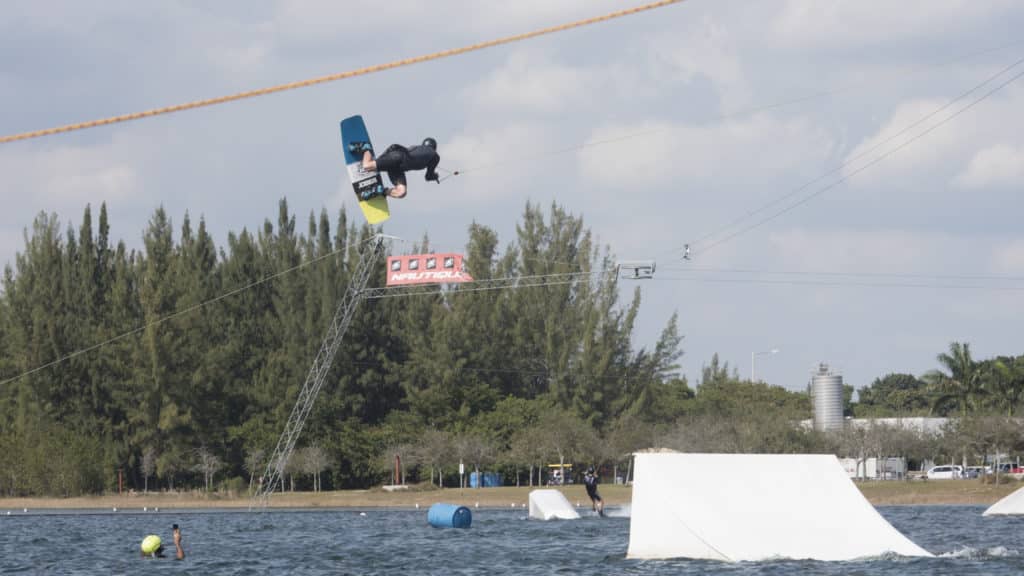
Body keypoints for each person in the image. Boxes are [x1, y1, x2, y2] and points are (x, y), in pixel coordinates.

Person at [349, 137, 440, 200]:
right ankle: (366, 148)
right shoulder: (434, 156)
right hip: (397, 157)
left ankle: (380, 191)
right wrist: (435, 176)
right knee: (367, 166)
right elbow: (428, 176)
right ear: (434, 148)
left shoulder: (421, 149)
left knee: (402, 193)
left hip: (398, 168)